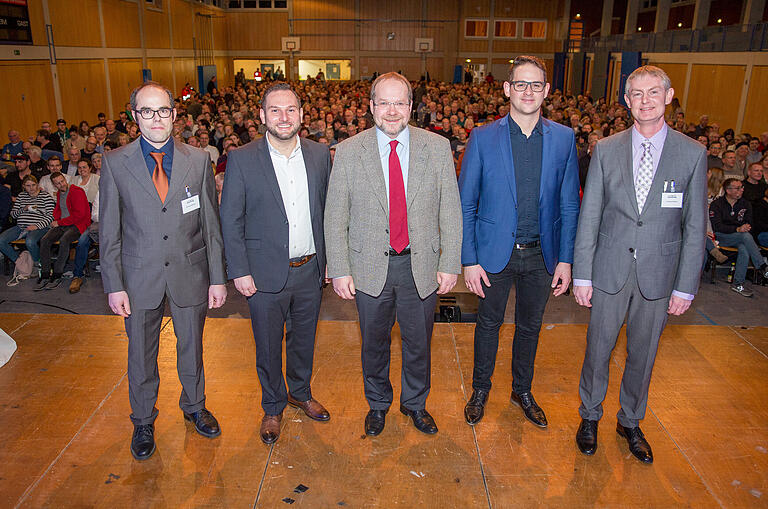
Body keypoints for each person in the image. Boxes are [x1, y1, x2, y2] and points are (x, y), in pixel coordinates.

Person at [572, 66, 707, 464]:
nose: (645, 100)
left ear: (668, 97)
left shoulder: (693, 153)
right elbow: (590, 215)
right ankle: (590, 416)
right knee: (598, 349)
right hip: (609, 269)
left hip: (659, 275)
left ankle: (630, 420)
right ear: (626, 100)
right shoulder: (607, 149)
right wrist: (583, 273)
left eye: (653, 92)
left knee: (643, 354)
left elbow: (696, 225)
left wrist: (685, 286)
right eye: (636, 93)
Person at [324, 72, 462, 437]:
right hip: (368, 265)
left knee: (419, 343)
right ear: (371, 107)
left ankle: (415, 403)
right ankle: (378, 404)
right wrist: (339, 268)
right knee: (374, 344)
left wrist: (450, 264)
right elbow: (335, 214)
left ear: (411, 107)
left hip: (421, 266)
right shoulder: (351, 151)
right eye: (383, 102)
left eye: (399, 102)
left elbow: (450, 210)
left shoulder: (436, 147)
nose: (392, 111)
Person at [99, 81, 227, 461]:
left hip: (190, 272)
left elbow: (211, 224)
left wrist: (218, 277)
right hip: (138, 278)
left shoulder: (198, 159)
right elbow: (109, 230)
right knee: (141, 352)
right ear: (134, 116)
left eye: (163, 111)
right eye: (147, 111)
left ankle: (195, 405)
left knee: (192, 345)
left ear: (175, 114)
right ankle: (142, 419)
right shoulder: (115, 162)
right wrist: (114, 284)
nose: (156, 119)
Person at [459, 55, 580, 428]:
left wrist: (566, 259)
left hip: (542, 255)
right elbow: (467, 202)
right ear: (508, 89)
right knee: (488, 325)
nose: (529, 91)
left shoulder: (563, 138)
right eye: (521, 84)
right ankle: (481, 389)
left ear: (547, 91)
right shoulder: (482, 137)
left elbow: (569, 202)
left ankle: (522, 390)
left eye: (536, 85)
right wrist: (469, 259)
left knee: (531, 326)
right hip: (494, 254)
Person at [220, 82, 332, 445]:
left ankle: (299, 391)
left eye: (290, 110)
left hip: (310, 270)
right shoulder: (242, 158)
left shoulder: (319, 154)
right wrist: (238, 269)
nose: (283, 117)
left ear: (301, 114)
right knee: (267, 345)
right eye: (275, 110)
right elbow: (231, 218)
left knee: (304, 341)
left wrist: (332, 260)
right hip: (263, 274)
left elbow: (329, 212)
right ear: (262, 116)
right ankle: (272, 405)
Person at [709, 178, 768, 297]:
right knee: (745, 237)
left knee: (744, 248)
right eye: (738, 188)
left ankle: (737, 284)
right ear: (728, 190)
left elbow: (749, 222)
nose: (741, 190)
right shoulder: (717, 204)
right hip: (722, 236)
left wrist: (743, 228)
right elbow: (717, 226)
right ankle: (762, 267)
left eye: (742, 188)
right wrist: (737, 229)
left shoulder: (745, 204)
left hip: (740, 237)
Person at [36, 172, 91, 290]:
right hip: (64, 223)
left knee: (64, 240)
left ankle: (57, 273)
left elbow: (80, 215)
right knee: (45, 240)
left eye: (62, 181)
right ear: (54, 185)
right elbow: (58, 209)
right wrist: (56, 220)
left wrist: (59, 222)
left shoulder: (77, 191)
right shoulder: (59, 194)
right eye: (58, 183)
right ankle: (45, 273)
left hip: (77, 224)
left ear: (65, 179)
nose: (61, 184)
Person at [0, 176, 54, 269]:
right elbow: (13, 215)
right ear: (24, 186)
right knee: (1, 241)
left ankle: (37, 264)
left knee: (30, 241)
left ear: (37, 185)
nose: (31, 188)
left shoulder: (45, 196)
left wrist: (37, 226)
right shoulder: (21, 196)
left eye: (33, 185)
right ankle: (21, 263)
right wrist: (23, 209)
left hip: (39, 227)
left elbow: (51, 216)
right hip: (21, 226)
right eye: (28, 185)